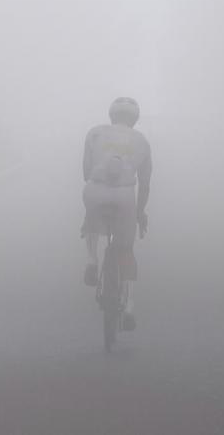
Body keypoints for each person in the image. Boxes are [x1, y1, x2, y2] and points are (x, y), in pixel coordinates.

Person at [81, 97, 152, 329]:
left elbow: (86, 171)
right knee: (126, 251)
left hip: (96, 190)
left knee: (91, 224)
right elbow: (145, 182)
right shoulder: (141, 140)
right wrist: (140, 213)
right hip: (124, 196)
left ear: (112, 115)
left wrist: (89, 212)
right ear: (135, 118)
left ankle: (92, 261)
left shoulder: (95, 133)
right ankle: (129, 307)